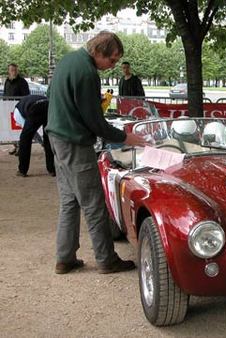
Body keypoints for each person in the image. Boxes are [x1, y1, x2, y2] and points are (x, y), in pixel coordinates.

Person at [46, 31, 147, 274]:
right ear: (98, 52)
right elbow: (95, 122)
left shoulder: (68, 61)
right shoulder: (87, 72)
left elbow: (53, 96)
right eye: (111, 60)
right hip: (74, 143)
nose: (112, 66)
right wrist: (126, 137)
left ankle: (65, 257)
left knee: (69, 201)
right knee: (94, 204)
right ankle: (106, 259)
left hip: (57, 139)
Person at [14, 95, 55, 177]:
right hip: (50, 106)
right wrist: (42, 142)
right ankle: (52, 169)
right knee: (48, 139)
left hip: (35, 108)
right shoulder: (25, 102)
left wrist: (40, 142)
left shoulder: (16, 114)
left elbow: (29, 134)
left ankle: (22, 170)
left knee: (25, 139)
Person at [4, 63, 30, 155]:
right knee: (10, 129)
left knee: (19, 128)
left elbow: (26, 96)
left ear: (17, 70)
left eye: (15, 70)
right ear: (9, 71)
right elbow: (5, 94)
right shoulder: (6, 81)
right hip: (8, 109)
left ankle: (21, 147)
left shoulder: (22, 81)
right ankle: (15, 146)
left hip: (19, 109)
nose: (14, 72)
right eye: (12, 70)